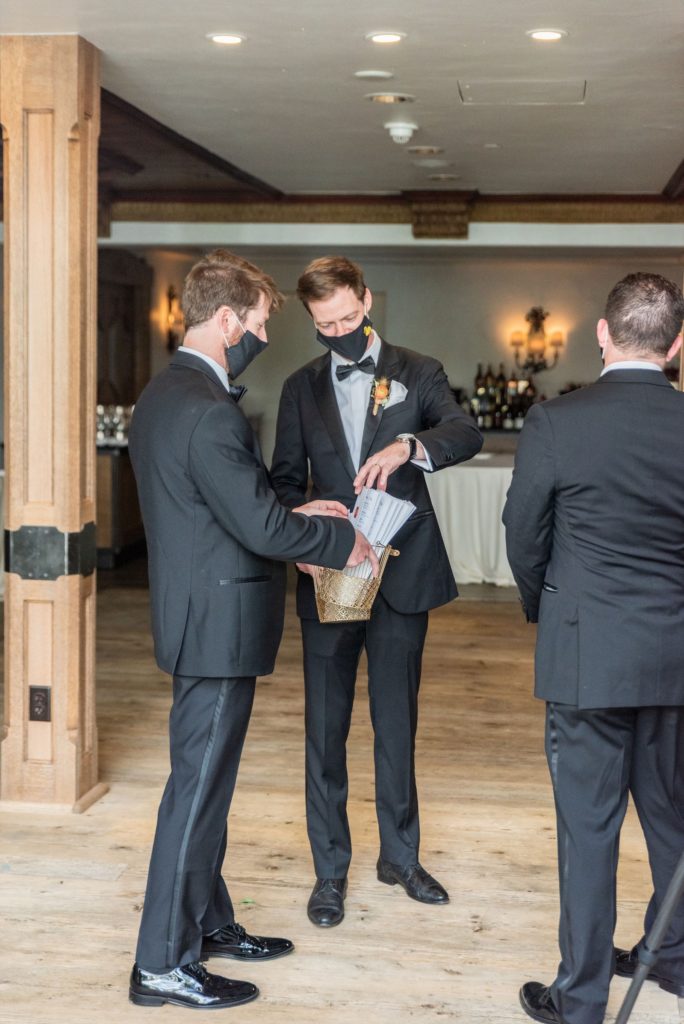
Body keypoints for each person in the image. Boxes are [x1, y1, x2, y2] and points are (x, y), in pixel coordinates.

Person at [127, 250, 376, 1010]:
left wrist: (295, 515)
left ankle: (209, 923)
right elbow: (258, 526)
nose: (264, 335)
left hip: (201, 615)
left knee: (207, 790)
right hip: (214, 626)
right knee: (195, 797)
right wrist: (343, 541)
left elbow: (224, 509)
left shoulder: (169, 395)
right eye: (262, 322)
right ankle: (160, 966)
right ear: (229, 319)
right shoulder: (206, 408)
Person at [270, 255, 483, 928]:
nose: (337, 332)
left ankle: (401, 856)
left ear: (366, 301)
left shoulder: (418, 371)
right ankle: (329, 871)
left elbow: (465, 432)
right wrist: (301, 534)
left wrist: (409, 448)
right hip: (328, 572)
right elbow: (281, 481)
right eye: (323, 325)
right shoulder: (299, 387)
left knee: (397, 726)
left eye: (347, 317)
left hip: (401, 576)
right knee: (324, 732)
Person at [503, 272, 684, 1024]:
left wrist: (549, 606)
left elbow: (522, 536)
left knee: (588, 829)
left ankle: (579, 997)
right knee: (674, 820)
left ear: (603, 335)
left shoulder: (556, 421)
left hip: (586, 656)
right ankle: (673, 960)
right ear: (677, 346)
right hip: (676, 656)